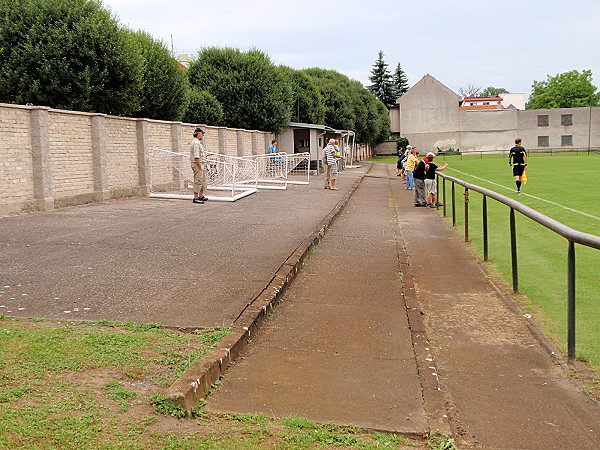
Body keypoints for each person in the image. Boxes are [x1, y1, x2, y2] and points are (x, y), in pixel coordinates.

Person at [190, 127, 208, 204]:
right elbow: (196, 156)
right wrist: (200, 166)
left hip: (200, 164)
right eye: (202, 133)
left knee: (203, 180)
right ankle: (196, 197)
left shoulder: (198, 143)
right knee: (198, 180)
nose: (203, 135)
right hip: (197, 164)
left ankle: (201, 195)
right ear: (198, 134)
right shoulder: (196, 143)